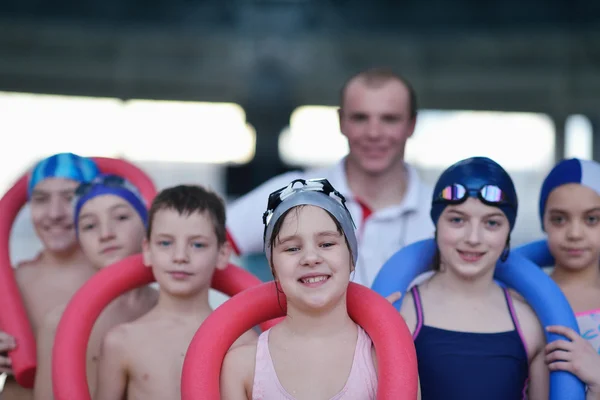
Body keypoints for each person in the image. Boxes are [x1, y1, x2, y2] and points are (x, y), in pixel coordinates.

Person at [226, 67, 433, 287]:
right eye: (360, 118)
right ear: (341, 121)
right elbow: (200, 245)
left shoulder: (445, 211)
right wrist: (256, 311)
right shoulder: (291, 193)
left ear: (412, 124)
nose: (374, 133)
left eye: (389, 119)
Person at [397, 157, 548, 399]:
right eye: (457, 220)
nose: (473, 237)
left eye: (491, 223)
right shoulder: (404, 314)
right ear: (437, 224)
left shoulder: (528, 323)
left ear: (508, 232)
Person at [221, 178, 382, 399]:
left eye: (326, 244)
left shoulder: (384, 358)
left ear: (352, 258)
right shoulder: (242, 366)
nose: (310, 258)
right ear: (273, 267)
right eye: (293, 248)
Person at [93, 185, 256, 400]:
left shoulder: (245, 343)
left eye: (197, 245)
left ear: (222, 253)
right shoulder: (121, 341)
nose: (180, 256)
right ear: (148, 250)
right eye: (166, 243)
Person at [33, 174, 158, 399]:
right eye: (90, 225)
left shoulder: (177, 309)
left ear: (148, 227)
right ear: (81, 241)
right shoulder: (59, 322)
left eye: (120, 217)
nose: (106, 234)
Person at [1, 153, 99, 399]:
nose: (55, 213)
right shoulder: (10, 285)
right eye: (41, 199)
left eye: (70, 197)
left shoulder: (121, 284)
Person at [536, 158, 600, 397]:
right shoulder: (520, 299)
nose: (575, 233)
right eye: (559, 219)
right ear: (544, 221)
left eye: (591, 219)